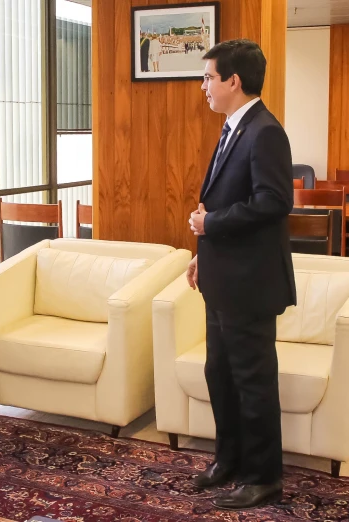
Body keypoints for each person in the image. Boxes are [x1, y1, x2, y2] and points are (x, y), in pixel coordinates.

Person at [187, 39, 294, 510]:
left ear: (233, 80)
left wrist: (211, 225)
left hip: (249, 284)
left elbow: (273, 202)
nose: (204, 85)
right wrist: (201, 251)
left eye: (209, 77)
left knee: (253, 382)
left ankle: (263, 475)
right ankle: (227, 459)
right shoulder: (233, 128)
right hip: (221, 278)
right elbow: (222, 199)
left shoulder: (265, 131)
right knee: (220, 375)